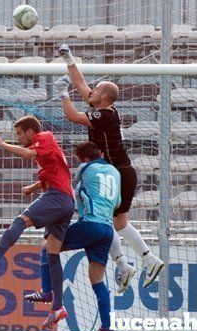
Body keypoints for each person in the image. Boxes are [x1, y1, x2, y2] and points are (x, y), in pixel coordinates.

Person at [56, 44, 165, 291]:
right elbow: (82, 84)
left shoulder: (103, 116)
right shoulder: (103, 109)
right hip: (118, 173)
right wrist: (69, 58)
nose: (89, 92)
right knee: (113, 223)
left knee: (113, 223)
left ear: (103, 97)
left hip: (117, 174)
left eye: (95, 91)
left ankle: (142, 262)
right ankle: (136, 263)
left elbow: (73, 116)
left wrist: (63, 93)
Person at [0, 115, 74, 329]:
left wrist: (1, 143)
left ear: (30, 132)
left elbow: (26, 154)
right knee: (52, 254)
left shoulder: (43, 136)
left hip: (57, 197)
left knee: (20, 220)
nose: (18, 138)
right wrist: (32, 189)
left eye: (19, 134)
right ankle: (58, 306)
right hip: (66, 201)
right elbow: (54, 173)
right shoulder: (48, 147)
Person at [27, 142, 120, 331]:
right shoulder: (114, 172)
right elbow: (118, 202)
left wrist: (36, 186)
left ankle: (46, 291)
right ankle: (106, 327)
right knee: (97, 279)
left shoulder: (85, 168)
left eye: (78, 159)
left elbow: (64, 182)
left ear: (84, 159)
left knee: (47, 246)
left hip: (90, 224)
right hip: (107, 229)